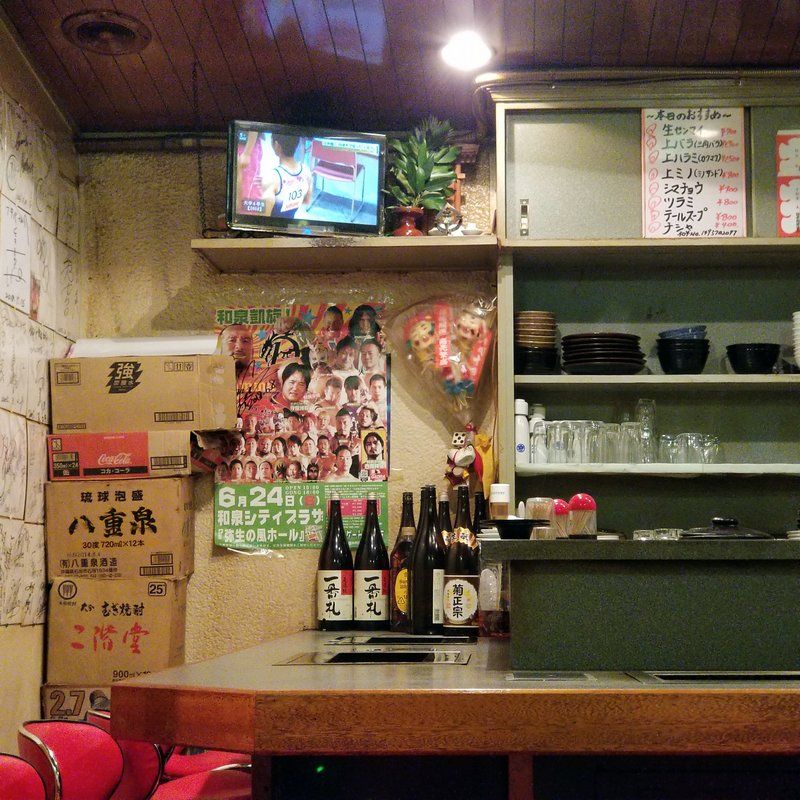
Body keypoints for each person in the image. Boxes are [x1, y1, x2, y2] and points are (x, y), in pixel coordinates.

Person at [261, 134, 312, 219]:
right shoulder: (306, 171)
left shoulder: (272, 178)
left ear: (276, 145)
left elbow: (263, 220)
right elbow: (306, 201)